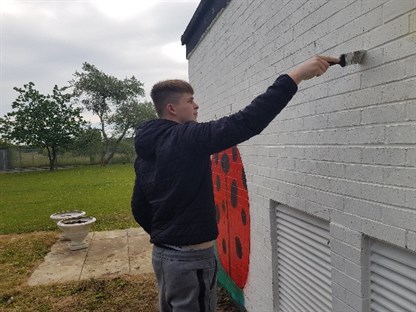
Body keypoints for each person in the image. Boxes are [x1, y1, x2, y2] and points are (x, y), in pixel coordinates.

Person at [131, 55, 339, 312]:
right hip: (190, 259)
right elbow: (247, 121)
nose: (196, 106)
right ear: (172, 108)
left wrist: (167, 236)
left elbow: (139, 207)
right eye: (190, 101)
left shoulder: (145, 150)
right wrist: (295, 76)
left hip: (163, 256)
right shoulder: (187, 137)